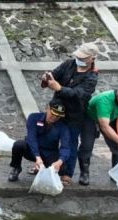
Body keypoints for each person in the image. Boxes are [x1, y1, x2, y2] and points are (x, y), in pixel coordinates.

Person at [41, 42, 99, 185]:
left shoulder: (92, 76)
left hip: (75, 113)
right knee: (48, 137)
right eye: (78, 56)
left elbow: (79, 94)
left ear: (92, 58)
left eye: (83, 57)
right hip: (56, 108)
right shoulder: (69, 64)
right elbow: (55, 74)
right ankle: (44, 166)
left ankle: (67, 173)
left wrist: (60, 88)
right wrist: (47, 77)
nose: (79, 59)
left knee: (70, 142)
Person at [78, 84, 118, 185]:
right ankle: (84, 173)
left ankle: (116, 173)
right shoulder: (105, 100)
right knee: (87, 145)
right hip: (90, 118)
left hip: (110, 117)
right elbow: (104, 126)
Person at [8, 101, 71, 182]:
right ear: (47, 108)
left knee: (62, 169)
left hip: (49, 153)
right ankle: (16, 167)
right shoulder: (33, 118)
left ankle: (42, 169)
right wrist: (37, 156)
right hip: (32, 150)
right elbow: (31, 138)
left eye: (58, 116)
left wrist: (59, 161)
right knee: (18, 145)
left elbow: (66, 147)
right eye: (53, 114)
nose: (55, 117)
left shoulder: (63, 126)